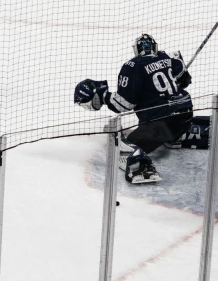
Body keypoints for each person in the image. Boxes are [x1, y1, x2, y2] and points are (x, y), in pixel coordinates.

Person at [74, 34, 194, 184]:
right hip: (186, 114)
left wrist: (104, 96)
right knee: (173, 121)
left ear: (137, 50)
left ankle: (141, 167)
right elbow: (184, 78)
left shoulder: (133, 66)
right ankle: (198, 129)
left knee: (121, 147)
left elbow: (124, 104)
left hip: (161, 124)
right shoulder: (166, 58)